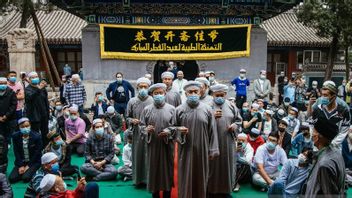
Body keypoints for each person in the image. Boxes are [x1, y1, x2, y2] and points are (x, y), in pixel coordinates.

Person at [176, 81, 219, 198]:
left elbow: (212, 130)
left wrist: (212, 149)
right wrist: (178, 130)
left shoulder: (207, 110)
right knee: (185, 175)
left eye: (196, 91)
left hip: (203, 149)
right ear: (185, 93)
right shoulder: (179, 110)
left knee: (201, 175)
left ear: (200, 93)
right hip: (185, 149)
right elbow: (172, 129)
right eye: (190, 92)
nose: (193, 94)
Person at [140, 83, 176, 198]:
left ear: (165, 94)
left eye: (160, 93)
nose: (158, 95)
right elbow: (141, 127)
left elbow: (176, 127)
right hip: (153, 145)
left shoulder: (172, 109)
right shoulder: (147, 109)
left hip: (167, 146)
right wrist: (147, 130)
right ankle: (155, 194)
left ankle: (167, 193)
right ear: (152, 94)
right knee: (153, 169)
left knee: (167, 169)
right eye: (156, 93)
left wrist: (169, 132)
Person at [207, 84, 240, 197]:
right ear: (213, 94)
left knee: (227, 166)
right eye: (217, 95)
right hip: (212, 142)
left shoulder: (231, 106)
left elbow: (239, 121)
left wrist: (235, 126)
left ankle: (226, 190)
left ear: (225, 94)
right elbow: (202, 123)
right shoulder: (207, 106)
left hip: (228, 142)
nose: (220, 97)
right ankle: (210, 190)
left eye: (222, 95)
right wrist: (212, 116)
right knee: (212, 167)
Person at [304, 118, 345, 197]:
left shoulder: (324, 165)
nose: (312, 134)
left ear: (318, 136)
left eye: (314, 131)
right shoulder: (337, 153)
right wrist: (310, 154)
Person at [125, 77, 153, 186]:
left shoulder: (152, 100)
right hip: (136, 133)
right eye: (141, 87)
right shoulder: (132, 101)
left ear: (148, 88)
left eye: (145, 87)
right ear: (137, 87)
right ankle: (138, 180)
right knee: (138, 155)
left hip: (149, 133)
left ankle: (148, 180)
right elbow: (127, 117)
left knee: (148, 156)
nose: (143, 89)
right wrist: (132, 120)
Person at [308, 80, 350, 149]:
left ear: (334, 96)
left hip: (335, 148)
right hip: (318, 147)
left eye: (326, 95)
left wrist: (332, 144)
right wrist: (316, 140)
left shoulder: (343, 111)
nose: (323, 98)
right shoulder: (317, 110)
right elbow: (311, 126)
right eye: (322, 95)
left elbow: (344, 131)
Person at [9, 118, 42, 183]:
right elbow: (16, 152)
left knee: (26, 178)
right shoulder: (15, 136)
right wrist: (21, 165)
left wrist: (28, 165)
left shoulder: (37, 136)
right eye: (22, 127)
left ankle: (31, 171)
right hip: (21, 162)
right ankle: (25, 172)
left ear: (30, 126)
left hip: (33, 162)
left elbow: (37, 153)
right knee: (12, 179)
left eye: (27, 126)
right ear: (19, 127)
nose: (25, 128)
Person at [25, 71, 50, 147]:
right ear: (29, 80)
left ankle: (46, 148)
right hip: (34, 116)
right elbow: (30, 97)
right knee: (35, 134)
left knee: (45, 133)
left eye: (36, 77)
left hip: (44, 115)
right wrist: (39, 89)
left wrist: (48, 112)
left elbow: (46, 102)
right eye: (33, 78)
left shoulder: (42, 89)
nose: (35, 79)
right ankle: (36, 149)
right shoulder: (27, 89)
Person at [0, 77, 17, 172]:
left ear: (6, 83)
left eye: (3, 83)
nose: (2, 84)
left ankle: (5, 158)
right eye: (0, 83)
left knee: (7, 138)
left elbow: (13, 105)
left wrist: (6, 116)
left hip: (9, 119)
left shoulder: (11, 92)